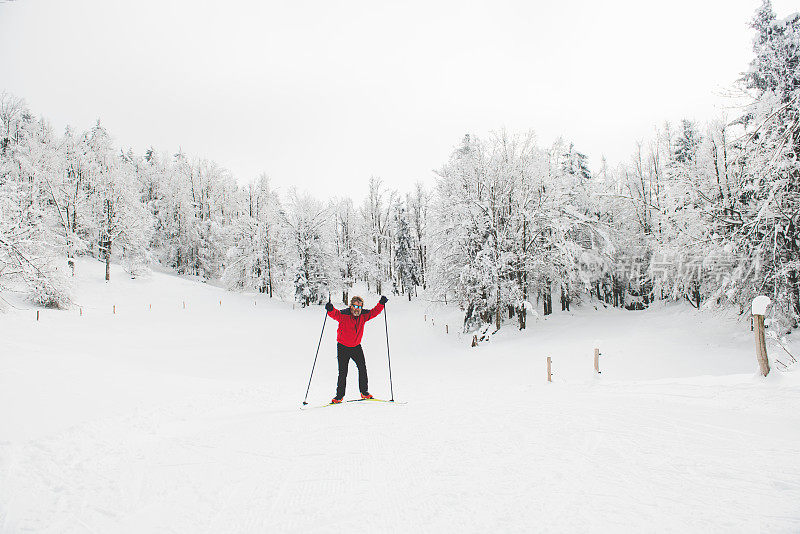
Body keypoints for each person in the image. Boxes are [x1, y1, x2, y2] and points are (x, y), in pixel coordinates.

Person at [324, 295, 388, 403]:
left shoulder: (363, 315)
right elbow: (335, 314)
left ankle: (364, 392)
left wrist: (381, 303)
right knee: (343, 372)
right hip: (343, 346)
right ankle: (339, 396)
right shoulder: (344, 314)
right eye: (355, 306)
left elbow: (374, 312)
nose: (357, 309)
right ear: (351, 305)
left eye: (359, 307)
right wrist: (330, 309)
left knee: (362, 368)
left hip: (356, 347)